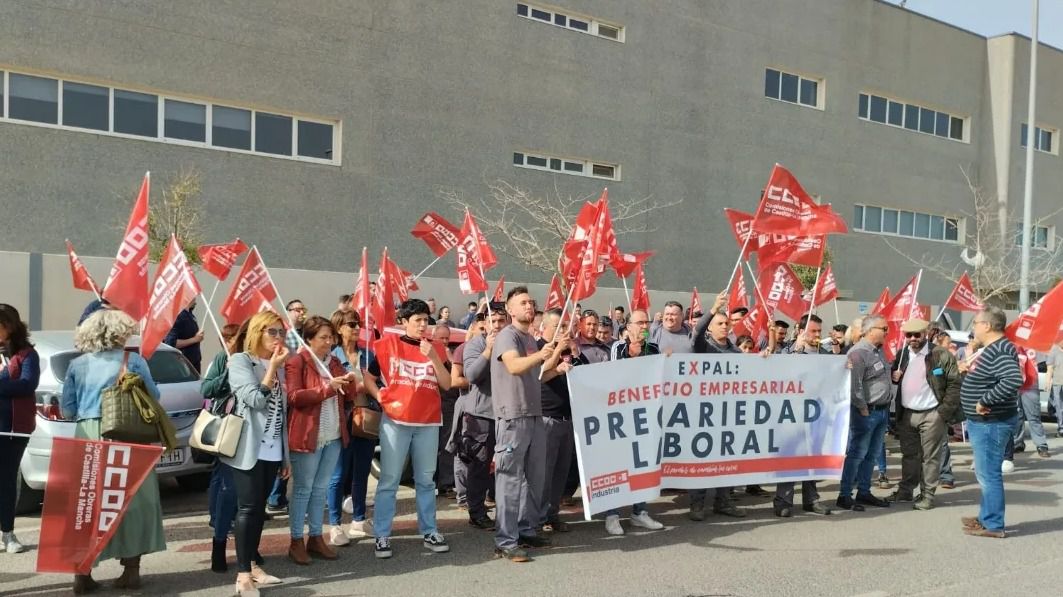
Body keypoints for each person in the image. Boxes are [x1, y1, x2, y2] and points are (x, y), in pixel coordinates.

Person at [60, 310, 167, 594]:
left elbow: (67, 409)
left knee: (87, 505)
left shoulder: (77, 365)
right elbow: (154, 397)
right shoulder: (134, 361)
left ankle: (81, 573)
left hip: (88, 435)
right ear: (120, 333)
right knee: (132, 499)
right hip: (127, 434)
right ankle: (131, 570)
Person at [365, 299, 453, 559]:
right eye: (418, 321)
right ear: (403, 322)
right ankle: (382, 534)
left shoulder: (435, 347)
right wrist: (379, 395)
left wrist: (434, 357)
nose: (423, 325)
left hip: (427, 422)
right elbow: (369, 377)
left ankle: (429, 531)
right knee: (389, 479)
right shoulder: (386, 346)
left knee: (426, 480)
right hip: (395, 421)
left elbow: (447, 384)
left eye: (426, 320)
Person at [490, 286, 568, 563]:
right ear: (510, 310)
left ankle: (525, 530)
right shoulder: (507, 336)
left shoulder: (530, 339)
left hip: (534, 416)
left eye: (530, 302)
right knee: (510, 481)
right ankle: (506, 540)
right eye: (522, 302)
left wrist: (556, 351)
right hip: (513, 416)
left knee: (534, 480)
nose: (528, 306)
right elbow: (513, 366)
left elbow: (538, 376)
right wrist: (543, 353)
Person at [223, 311, 290, 596]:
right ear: (258, 333)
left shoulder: (280, 365)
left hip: (273, 447)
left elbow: (282, 412)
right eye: (272, 332)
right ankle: (242, 575)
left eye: (281, 332)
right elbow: (254, 400)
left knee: (259, 510)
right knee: (248, 508)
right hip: (249, 446)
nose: (278, 338)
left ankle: (252, 565)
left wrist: (285, 456)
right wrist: (272, 369)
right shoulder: (240, 361)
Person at [284, 316, 358, 565]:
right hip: (308, 435)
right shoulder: (298, 361)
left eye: (331, 337)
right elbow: (294, 397)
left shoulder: (334, 361)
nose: (329, 342)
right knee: (303, 489)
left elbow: (348, 395)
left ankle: (315, 537)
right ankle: (296, 541)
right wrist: (327, 388)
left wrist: (350, 381)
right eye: (323, 338)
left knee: (320, 489)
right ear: (309, 339)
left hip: (333, 434)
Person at [959, 307, 1022, 538]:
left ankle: (994, 524)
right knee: (985, 473)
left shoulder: (1001, 349)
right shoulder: (993, 348)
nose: (973, 327)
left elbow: (1013, 378)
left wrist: (985, 400)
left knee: (989, 474)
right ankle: (987, 517)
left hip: (991, 423)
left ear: (987, 325)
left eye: (975, 323)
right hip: (987, 422)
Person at [602, 309, 666, 535]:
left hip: (646, 415)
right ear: (627, 326)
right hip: (621, 416)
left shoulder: (654, 348)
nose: (643, 326)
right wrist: (632, 354)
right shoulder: (618, 347)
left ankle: (640, 512)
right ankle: (612, 514)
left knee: (643, 464)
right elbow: (615, 374)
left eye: (646, 322)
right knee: (618, 465)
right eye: (639, 322)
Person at [889, 319, 961, 511]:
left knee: (930, 457)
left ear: (926, 333)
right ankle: (906, 490)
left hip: (932, 413)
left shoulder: (940, 355)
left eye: (917, 334)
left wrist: (943, 412)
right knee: (909, 455)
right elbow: (896, 378)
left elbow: (954, 383)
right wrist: (893, 377)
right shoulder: (902, 354)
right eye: (908, 335)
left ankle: (928, 494)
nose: (912, 339)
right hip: (907, 413)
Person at [688, 295, 748, 519]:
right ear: (711, 329)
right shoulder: (704, 348)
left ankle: (723, 501)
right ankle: (697, 504)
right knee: (702, 459)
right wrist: (713, 309)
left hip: (728, 414)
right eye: (719, 324)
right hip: (704, 414)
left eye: (726, 323)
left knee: (726, 460)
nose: (724, 326)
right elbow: (696, 334)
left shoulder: (736, 353)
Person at [772, 315, 833, 517]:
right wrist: (796, 351)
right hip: (792, 414)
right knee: (790, 458)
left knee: (812, 459)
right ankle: (783, 501)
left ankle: (811, 500)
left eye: (819, 331)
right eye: (813, 331)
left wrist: (844, 365)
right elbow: (780, 373)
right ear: (801, 331)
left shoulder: (825, 354)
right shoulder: (788, 351)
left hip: (816, 415)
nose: (817, 335)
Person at [327, 310, 377, 545]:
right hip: (342, 420)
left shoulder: (368, 355)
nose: (357, 328)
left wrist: (369, 386)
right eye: (351, 324)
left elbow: (381, 381)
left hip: (366, 419)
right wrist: (351, 387)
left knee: (361, 472)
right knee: (338, 474)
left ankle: (358, 520)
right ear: (339, 328)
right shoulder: (331, 357)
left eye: (358, 324)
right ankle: (335, 525)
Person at [836, 315, 893, 512]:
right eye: (884, 329)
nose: (887, 332)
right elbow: (854, 385)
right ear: (870, 330)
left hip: (882, 411)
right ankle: (844, 495)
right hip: (866, 411)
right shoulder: (858, 352)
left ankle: (864, 491)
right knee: (857, 454)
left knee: (872, 454)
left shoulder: (879, 351)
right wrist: (862, 407)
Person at [201, 322, 243, 573]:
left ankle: (249, 548)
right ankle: (219, 544)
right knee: (228, 489)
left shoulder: (257, 359)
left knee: (249, 497)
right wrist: (227, 372)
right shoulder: (221, 360)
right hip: (228, 430)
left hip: (253, 433)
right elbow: (206, 389)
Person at [460, 310, 508, 530]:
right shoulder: (476, 345)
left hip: (506, 413)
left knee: (504, 465)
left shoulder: (511, 341)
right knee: (480, 466)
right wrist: (488, 350)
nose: (497, 325)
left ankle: (502, 507)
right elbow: (472, 375)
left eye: (501, 321)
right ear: (485, 324)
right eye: (493, 321)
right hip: (482, 415)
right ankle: (476, 512)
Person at [537, 308, 581, 533]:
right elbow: (541, 374)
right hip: (548, 418)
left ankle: (552, 514)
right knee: (544, 472)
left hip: (568, 419)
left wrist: (574, 352)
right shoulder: (538, 348)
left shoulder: (568, 350)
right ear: (545, 327)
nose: (564, 331)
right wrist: (558, 364)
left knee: (561, 472)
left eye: (566, 326)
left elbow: (583, 374)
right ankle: (538, 517)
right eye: (559, 327)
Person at [0, 304, 38, 556]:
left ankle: (8, 534)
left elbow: (27, 385)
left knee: (6, 481)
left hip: (13, 428)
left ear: (10, 327)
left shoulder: (26, 355)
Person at [269, 299, 307, 514]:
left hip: (294, 396)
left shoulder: (302, 333)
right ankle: (274, 497)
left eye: (303, 309)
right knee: (280, 446)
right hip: (284, 395)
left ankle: (278, 496)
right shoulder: (287, 335)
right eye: (297, 309)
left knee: (288, 449)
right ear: (289, 312)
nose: (301, 313)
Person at [1003, 347, 1050, 462]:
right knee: (1017, 416)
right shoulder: (1010, 345)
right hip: (1014, 385)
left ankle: (1041, 445)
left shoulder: (1034, 346)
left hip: (1031, 385)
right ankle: (1017, 443)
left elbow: (1043, 365)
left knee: (1034, 416)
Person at [433, 323, 459, 496]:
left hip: (448, 405)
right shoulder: (428, 354)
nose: (443, 341)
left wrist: (449, 359)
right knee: (431, 446)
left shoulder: (451, 355)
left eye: (446, 338)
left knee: (447, 444)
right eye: (440, 338)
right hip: (430, 405)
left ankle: (446, 483)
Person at [163, 299, 205, 373]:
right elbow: (171, 343)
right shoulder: (178, 316)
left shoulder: (190, 315)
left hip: (193, 364)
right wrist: (195, 339)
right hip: (182, 366)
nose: (195, 298)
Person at [1047, 339, 1063, 438]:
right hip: (1058, 383)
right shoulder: (1054, 349)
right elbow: (1050, 367)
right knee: (1059, 407)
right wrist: (1048, 381)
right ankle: (1061, 428)